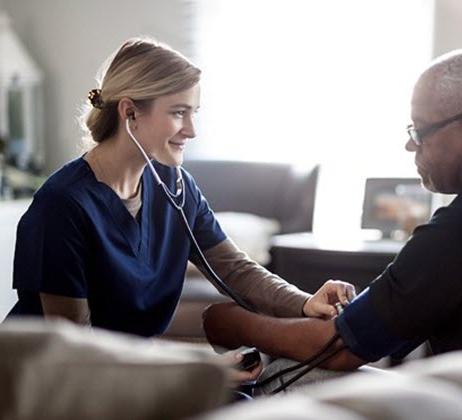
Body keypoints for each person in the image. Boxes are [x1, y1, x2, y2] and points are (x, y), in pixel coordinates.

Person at [202, 49, 462, 382]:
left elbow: (340, 348)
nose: (411, 146)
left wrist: (233, 324)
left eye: (420, 131)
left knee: (272, 373)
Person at [6, 38, 354, 354]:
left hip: (125, 374)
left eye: (194, 113)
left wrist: (306, 303)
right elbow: (76, 349)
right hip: (43, 385)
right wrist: (197, 370)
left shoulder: (175, 186)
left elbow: (235, 270)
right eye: (178, 112)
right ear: (130, 113)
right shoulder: (62, 206)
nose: (191, 130)